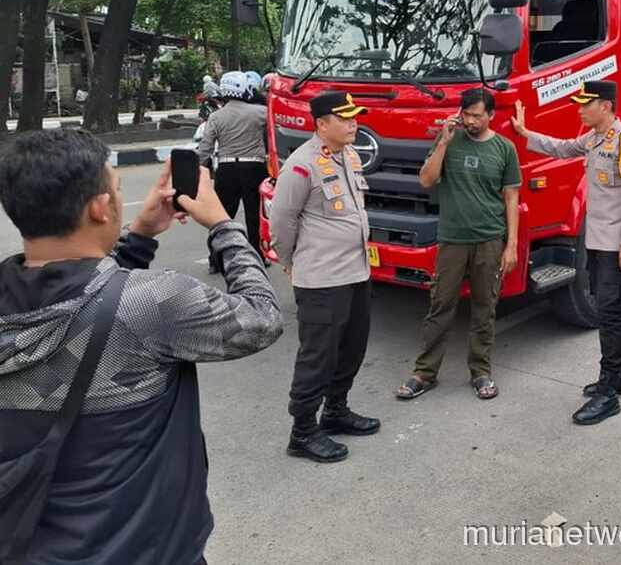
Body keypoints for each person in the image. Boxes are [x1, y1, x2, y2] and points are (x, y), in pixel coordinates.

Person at [0, 130, 283, 564]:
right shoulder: (156, 302)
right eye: (115, 189)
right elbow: (261, 317)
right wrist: (223, 226)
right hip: (148, 550)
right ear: (100, 207)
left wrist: (139, 237)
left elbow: (91, 309)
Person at [511, 80, 621, 426]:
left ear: (604, 106)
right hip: (599, 242)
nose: (579, 109)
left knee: (610, 314)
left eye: (584, 104)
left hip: (617, 244)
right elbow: (561, 148)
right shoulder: (593, 138)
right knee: (615, 310)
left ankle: (609, 391)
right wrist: (525, 131)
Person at [270, 91, 381, 463]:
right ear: (321, 124)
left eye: (355, 116)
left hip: (355, 272)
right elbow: (281, 221)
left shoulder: (349, 155)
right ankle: (302, 432)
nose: (354, 123)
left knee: (352, 346)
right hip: (321, 279)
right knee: (317, 356)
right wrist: (290, 261)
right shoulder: (301, 165)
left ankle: (335, 411)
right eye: (345, 117)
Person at [396, 88, 521, 402]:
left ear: (491, 115)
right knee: (440, 306)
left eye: (477, 115)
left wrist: (512, 245)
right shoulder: (449, 142)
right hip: (452, 239)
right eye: (466, 114)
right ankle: (424, 373)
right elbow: (426, 180)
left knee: (484, 308)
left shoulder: (505, 149)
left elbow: (511, 198)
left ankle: (480, 372)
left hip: (490, 239)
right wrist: (443, 142)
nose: (470, 121)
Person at [195, 70, 269, 273]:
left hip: (226, 169)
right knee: (255, 217)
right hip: (255, 168)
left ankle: (215, 260)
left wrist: (199, 172)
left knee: (222, 216)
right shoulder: (261, 112)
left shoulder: (216, 117)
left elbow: (205, 148)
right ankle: (259, 257)